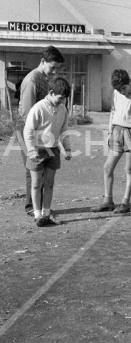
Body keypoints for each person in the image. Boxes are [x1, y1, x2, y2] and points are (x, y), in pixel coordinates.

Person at [16, 46, 65, 216]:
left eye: (57, 69)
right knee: (34, 166)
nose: (54, 72)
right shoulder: (32, 80)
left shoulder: (45, 78)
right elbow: (28, 113)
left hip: (42, 130)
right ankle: (32, 207)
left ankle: (42, 207)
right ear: (42, 62)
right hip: (28, 128)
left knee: (44, 169)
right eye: (52, 67)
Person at [91, 69, 131, 215]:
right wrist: (110, 133)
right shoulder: (117, 93)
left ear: (129, 83)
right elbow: (113, 112)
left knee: (129, 169)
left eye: (123, 88)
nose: (122, 91)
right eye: (118, 89)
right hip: (117, 131)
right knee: (107, 167)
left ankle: (125, 202)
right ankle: (108, 201)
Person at [23, 76, 72, 227]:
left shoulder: (62, 109)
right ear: (51, 92)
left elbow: (64, 129)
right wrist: (31, 150)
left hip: (53, 150)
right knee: (37, 183)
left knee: (49, 183)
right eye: (60, 98)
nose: (62, 101)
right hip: (37, 151)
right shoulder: (38, 108)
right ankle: (37, 214)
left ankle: (46, 212)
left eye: (64, 98)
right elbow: (28, 131)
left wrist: (67, 148)